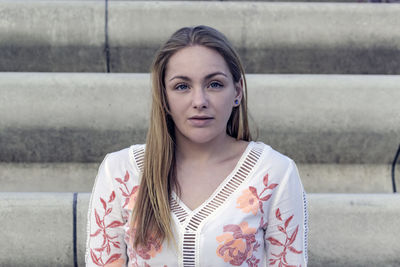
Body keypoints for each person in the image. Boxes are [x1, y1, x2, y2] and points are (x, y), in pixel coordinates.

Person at [86, 25, 308, 267]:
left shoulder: (274, 172)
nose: (199, 101)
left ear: (237, 91)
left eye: (214, 84)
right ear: (164, 97)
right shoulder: (120, 172)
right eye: (182, 86)